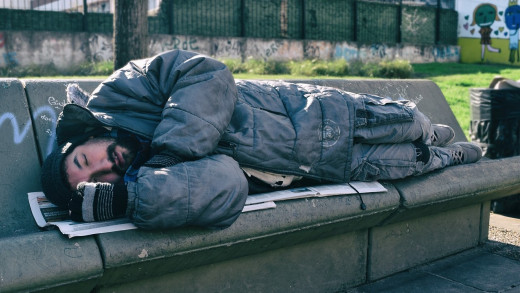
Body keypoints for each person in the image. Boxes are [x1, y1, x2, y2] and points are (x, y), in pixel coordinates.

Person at [40, 50, 482, 230]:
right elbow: (226, 183)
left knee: (415, 123)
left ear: (83, 138)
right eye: (99, 182)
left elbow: (204, 72)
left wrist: (171, 152)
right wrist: (131, 200)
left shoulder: (125, 90)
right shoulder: (150, 181)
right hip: (326, 170)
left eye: (85, 161)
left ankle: (438, 134)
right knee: (417, 162)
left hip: (325, 117)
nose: (105, 167)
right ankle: (449, 155)